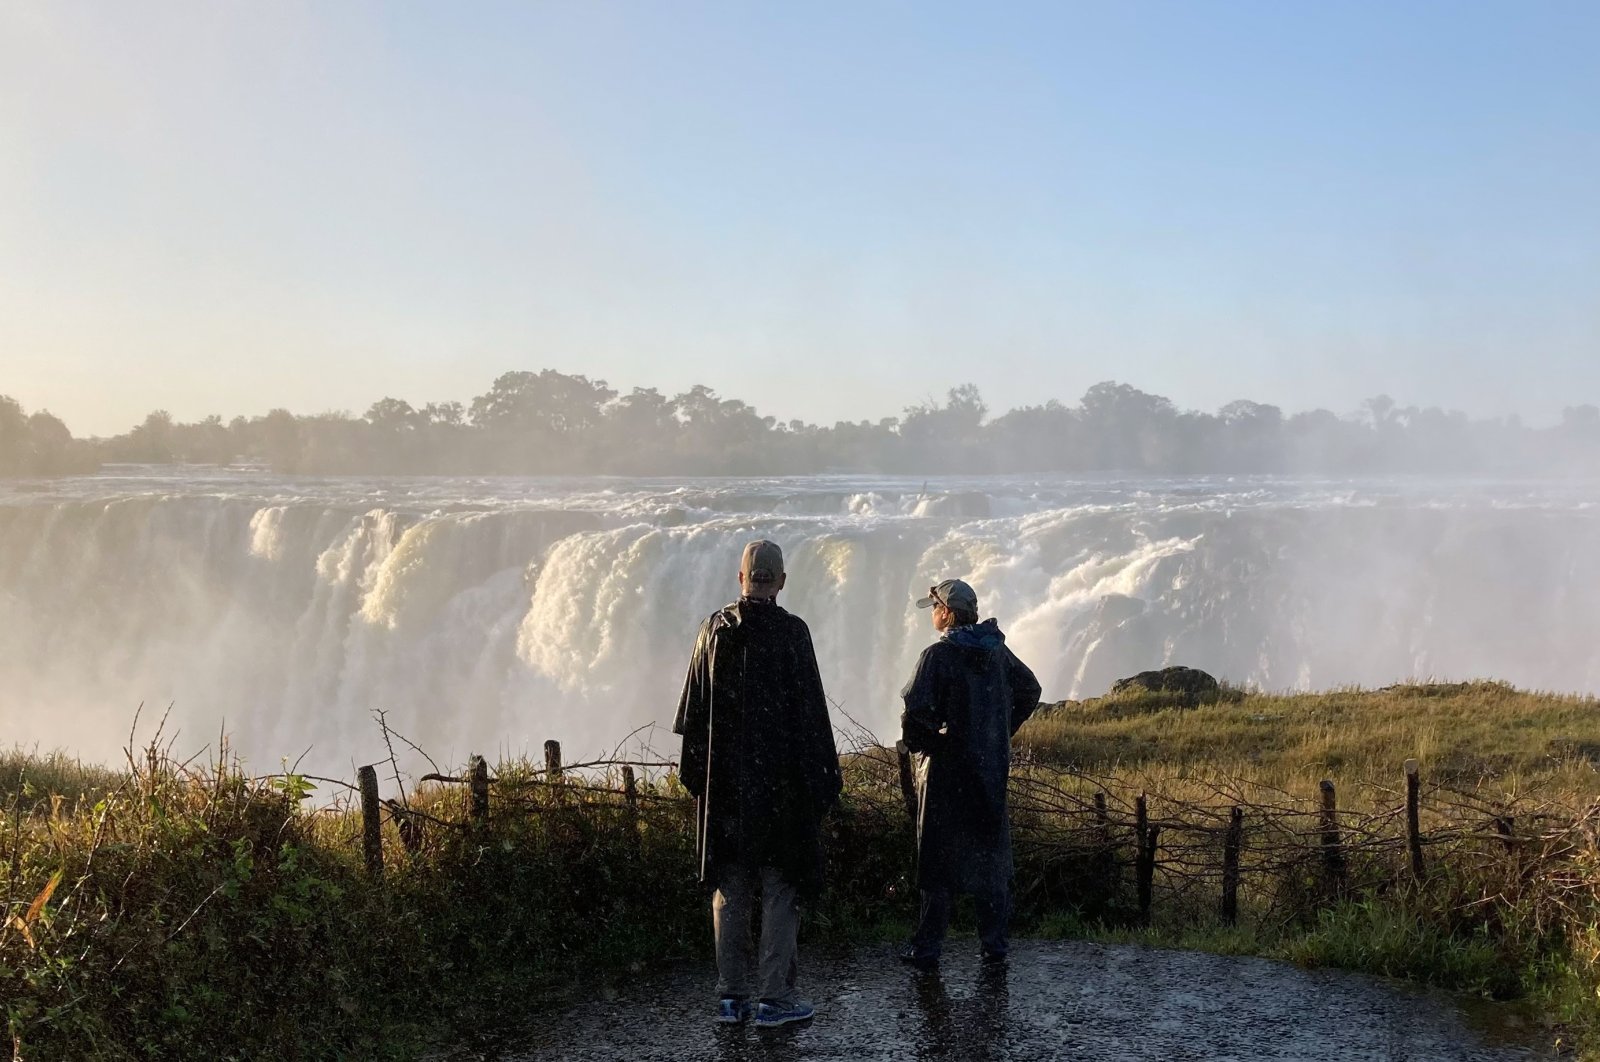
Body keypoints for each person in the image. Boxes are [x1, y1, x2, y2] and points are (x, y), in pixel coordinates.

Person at [672, 539, 842, 1027]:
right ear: (782, 581)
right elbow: (812, 718)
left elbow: (691, 717)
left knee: (731, 888)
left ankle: (731, 999)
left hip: (727, 790)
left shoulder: (713, 631)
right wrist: (821, 785)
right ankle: (774, 999)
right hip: (783, 792)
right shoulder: (792, 634)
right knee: (781, 888)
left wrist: (702, 780)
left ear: (741, 578)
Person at [898, 578, 1041, 969]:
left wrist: (935, 743)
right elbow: (1030, 689)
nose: (933, 616)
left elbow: (915, 718)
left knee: (938, 860)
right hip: (988, 770)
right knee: (990, 857)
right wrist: (998, 733)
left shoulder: (937, 656)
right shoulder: (997, 653)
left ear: (946, 612)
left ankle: (927, 947)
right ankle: (994, 945)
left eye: (934, 609)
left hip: (944, 775)